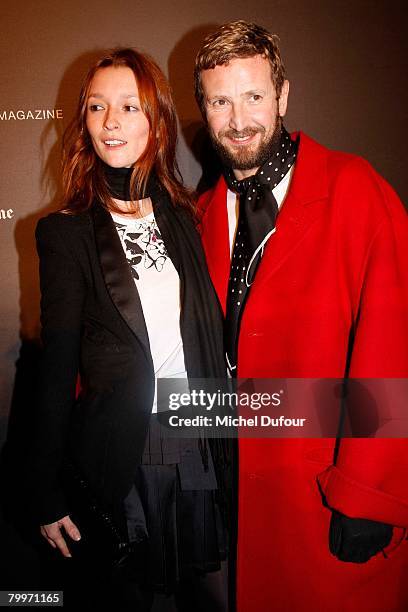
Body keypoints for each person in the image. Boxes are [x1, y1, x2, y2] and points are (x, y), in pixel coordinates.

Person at [194, 20, 408, 612]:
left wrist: (371, 492)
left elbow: (394, 341)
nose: (238, 120)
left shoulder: (355, 188)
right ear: (204, 109)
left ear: (283, 96)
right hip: (229, 501)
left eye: (254, 96)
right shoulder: (200, 214)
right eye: (220, 101)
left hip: (323, 498)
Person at [30, 47, 229, 611]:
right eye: (96, 107)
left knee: (202, 596)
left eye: (128, 106)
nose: (111, 122)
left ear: (156, 120)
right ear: (84, 121)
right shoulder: (63, 234)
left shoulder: (186, 216)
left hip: (197, 444)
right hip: (123, 456)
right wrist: (44, 490)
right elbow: (56, 365)